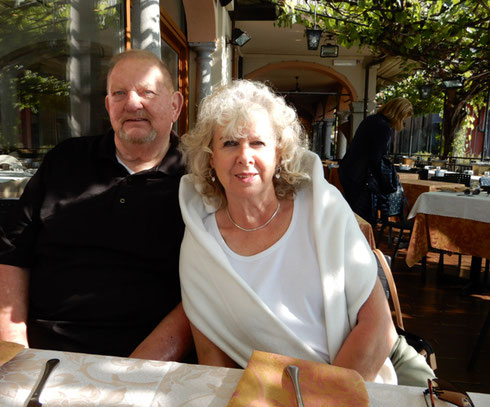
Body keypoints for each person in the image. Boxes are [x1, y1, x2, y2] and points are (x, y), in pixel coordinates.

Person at [178, 80, 433, 385]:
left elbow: (378, 327)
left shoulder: (322, 209)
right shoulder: (203, 242)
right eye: (229, 143)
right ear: (210, 158)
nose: (244, 156)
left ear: (279, 153)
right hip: (268, 395)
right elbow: (213, 354)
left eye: (258, 143)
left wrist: (326, 400)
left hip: (354, 384)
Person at [0, 49, 193, 360]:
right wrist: (13, 345)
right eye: (120, 93)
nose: (132, 103)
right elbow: (12, 252)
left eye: (147, 92)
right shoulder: (65, 160)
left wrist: (137, 370)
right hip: (42, 347)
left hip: (146, 355)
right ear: (108, 105)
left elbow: (207, 287)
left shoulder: (199, 177)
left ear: (175, 105)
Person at [338, 98, 413, 226]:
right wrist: (384, 182)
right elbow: (375, 158)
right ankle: (360, 244)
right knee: (363, 219)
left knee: (353, 214)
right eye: (404, 118)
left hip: (349, 170)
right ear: (398, 114)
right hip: (360, 176)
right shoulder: (384, 127)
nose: (403, 122)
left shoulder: (372, 119)